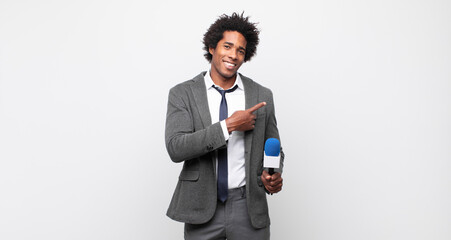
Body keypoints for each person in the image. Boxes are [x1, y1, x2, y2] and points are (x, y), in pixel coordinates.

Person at [165, 12, 284, 240]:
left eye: (240, 50)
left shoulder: (261, 95)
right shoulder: (183, 94)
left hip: (248, 206)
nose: (233, 55)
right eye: (227, 46)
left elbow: (275, 147)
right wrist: (228, 126)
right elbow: (176, 147)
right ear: (212, 48)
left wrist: (274, 175)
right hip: (201, 208)